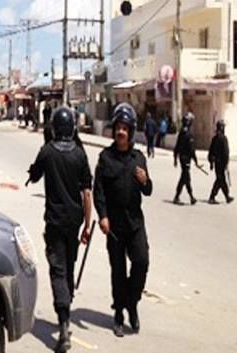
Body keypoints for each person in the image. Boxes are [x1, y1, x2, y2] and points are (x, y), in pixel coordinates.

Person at [26, 106, 93, 353]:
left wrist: (35, 166)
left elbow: (34, 176)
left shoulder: (47, 152)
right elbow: (87, 193)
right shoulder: (80, 154)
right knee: (69, 267)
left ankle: (64, 322)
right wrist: (87, 224)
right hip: (74, 222)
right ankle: (66, 307)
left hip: (54, 222)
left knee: (58, 271)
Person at [93, 102, 152, 338]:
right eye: (118, 128)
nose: (121, 132)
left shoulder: (139, 159)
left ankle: (132, 302)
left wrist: (145, 180)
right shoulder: (105, 158)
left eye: (125, 129)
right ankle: (119, 312)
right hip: (114, 226)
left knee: (142, 262)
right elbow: (98, 191)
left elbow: (148, 191)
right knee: (118, 271)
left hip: (135, 224)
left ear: (131, 131)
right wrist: (103, 217)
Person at [173, 112, 200, 205]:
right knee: (186, 177)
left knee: (185, 177)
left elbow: (177, 146)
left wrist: (175, 158)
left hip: (182, 158)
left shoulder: (182, 132)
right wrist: (196, 161)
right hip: (186, 159)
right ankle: (184, 196)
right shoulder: (188, 134)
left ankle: (189, 197)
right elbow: (191, 149)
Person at [208, 120, 234, 204]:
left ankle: (226, 196)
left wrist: (211, 163)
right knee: (221, 180)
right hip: (222, 163)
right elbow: (226, 152)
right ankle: (214, 197)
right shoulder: (223, 138)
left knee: (220, 180)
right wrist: (226, 163)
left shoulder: (215, 138)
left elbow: (210, 152)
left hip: (216, 163)